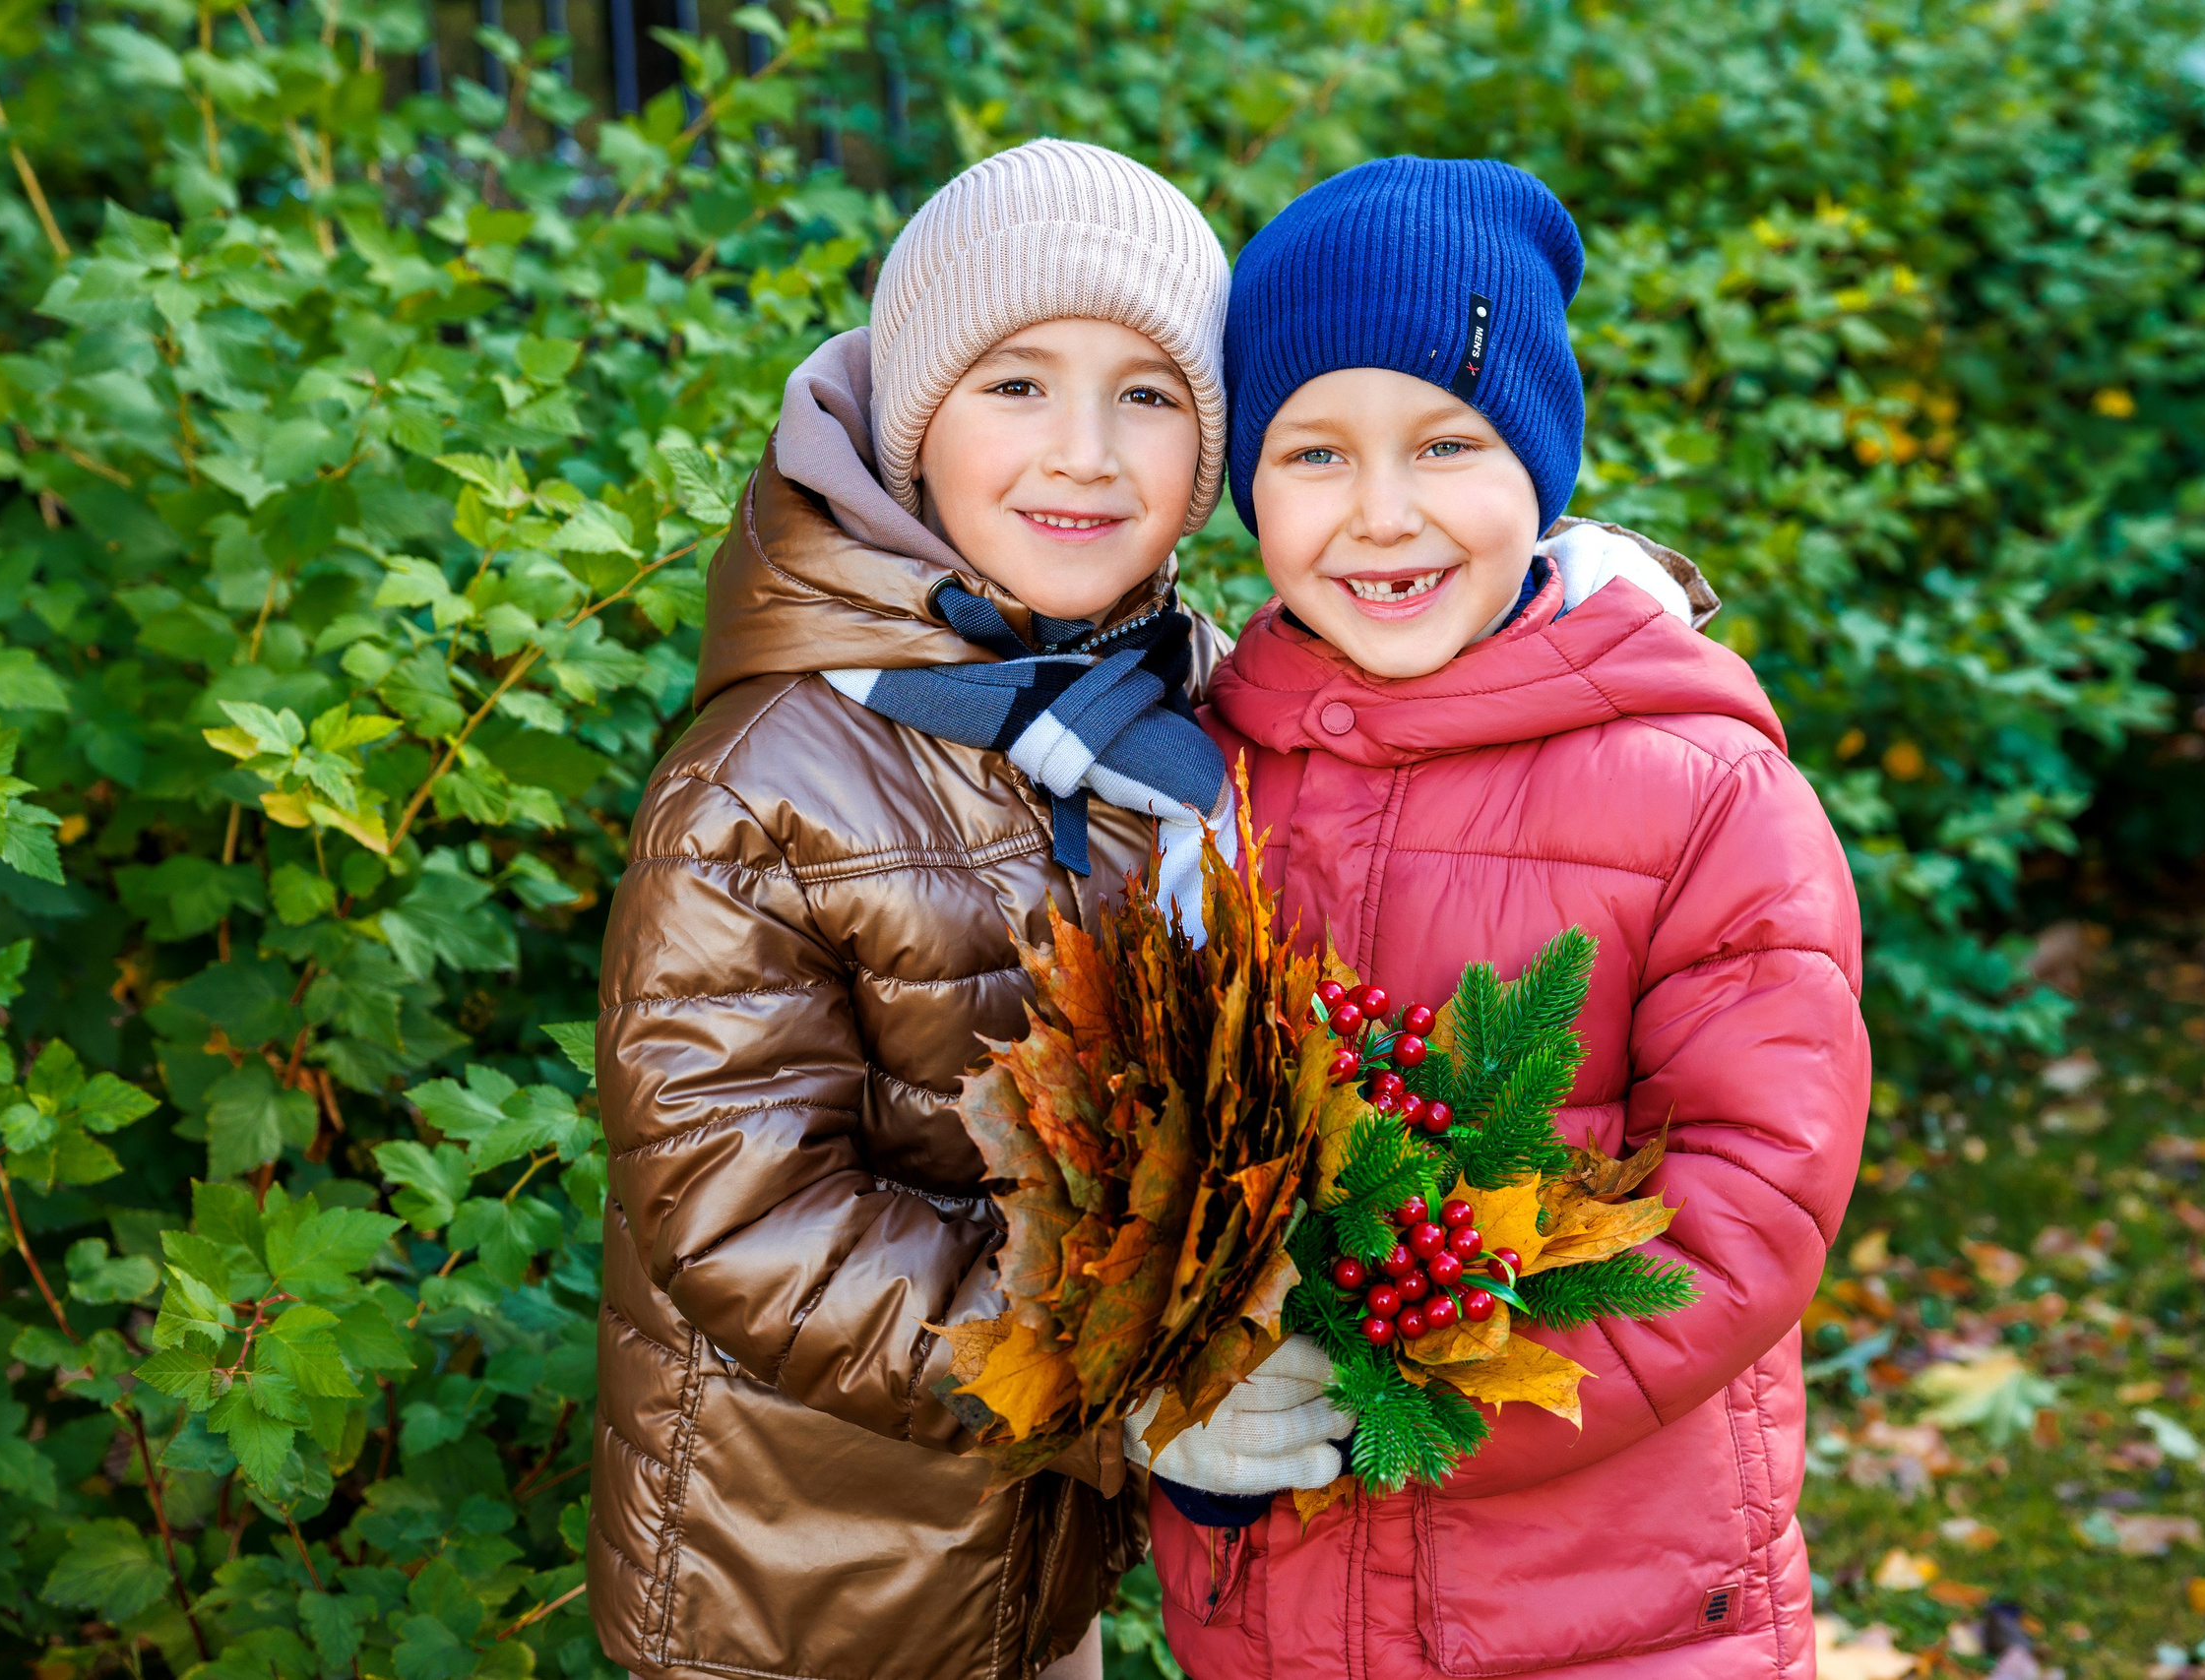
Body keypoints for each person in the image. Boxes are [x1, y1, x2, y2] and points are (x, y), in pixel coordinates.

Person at [1150, 156, 1870, 1678]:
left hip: (1612, 1617)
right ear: (1247, 489)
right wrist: (1177, 1382)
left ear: (1538, 462)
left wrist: (1393, 1396)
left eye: (1446, 442)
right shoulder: (1197, 772)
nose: (1383, 514)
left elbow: (1752, 1202)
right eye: (1315, 453)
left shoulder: (1696, 790)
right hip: (1272, 1616)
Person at [588, 138, 1234, 1680]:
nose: (1083, 450)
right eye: (1016, 383)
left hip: (1038, 1560)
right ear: (909, 424)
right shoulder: (769, 780)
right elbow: (742, 1210)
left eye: (1147, 394)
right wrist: (1113, 1356)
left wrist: (1574, 587)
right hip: (803, 1586)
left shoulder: (1167, 722)